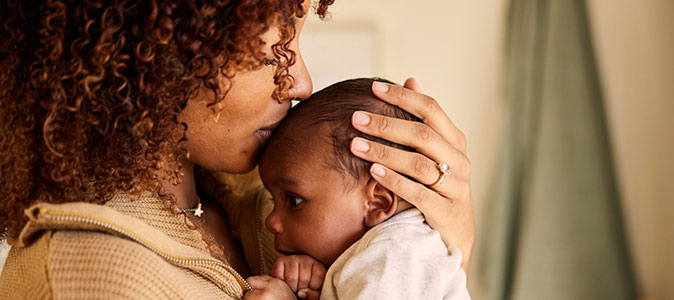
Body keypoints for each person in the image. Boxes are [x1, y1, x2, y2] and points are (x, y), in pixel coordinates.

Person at [0, 1, 475, 299]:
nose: (301, 84)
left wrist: (440, 241)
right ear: (162, 53)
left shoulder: (265, 196)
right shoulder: (92, 279)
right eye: (272, 55)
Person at [244, 78, 471, 300]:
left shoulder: (392, 256)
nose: (270, 221)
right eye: (273, 200)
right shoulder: (394, 253)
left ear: (377, 202)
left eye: (294, 201)